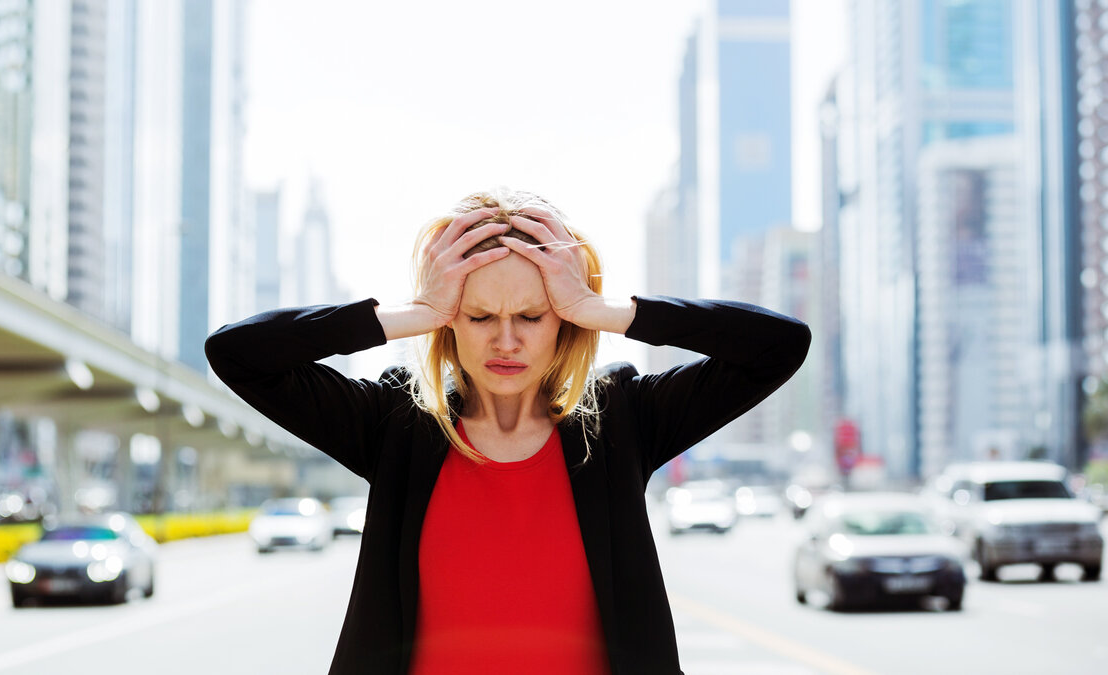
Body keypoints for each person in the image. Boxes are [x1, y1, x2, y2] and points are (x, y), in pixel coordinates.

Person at [204, 187, 811, 675]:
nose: (506, 340)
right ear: (450, 323)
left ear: (564, 322)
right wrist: (410, 315)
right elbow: (238, 354)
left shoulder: (622, 420)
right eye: (478, 316)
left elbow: (779, 346)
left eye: (531, 315)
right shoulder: (396, 426)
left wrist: (606, 310)